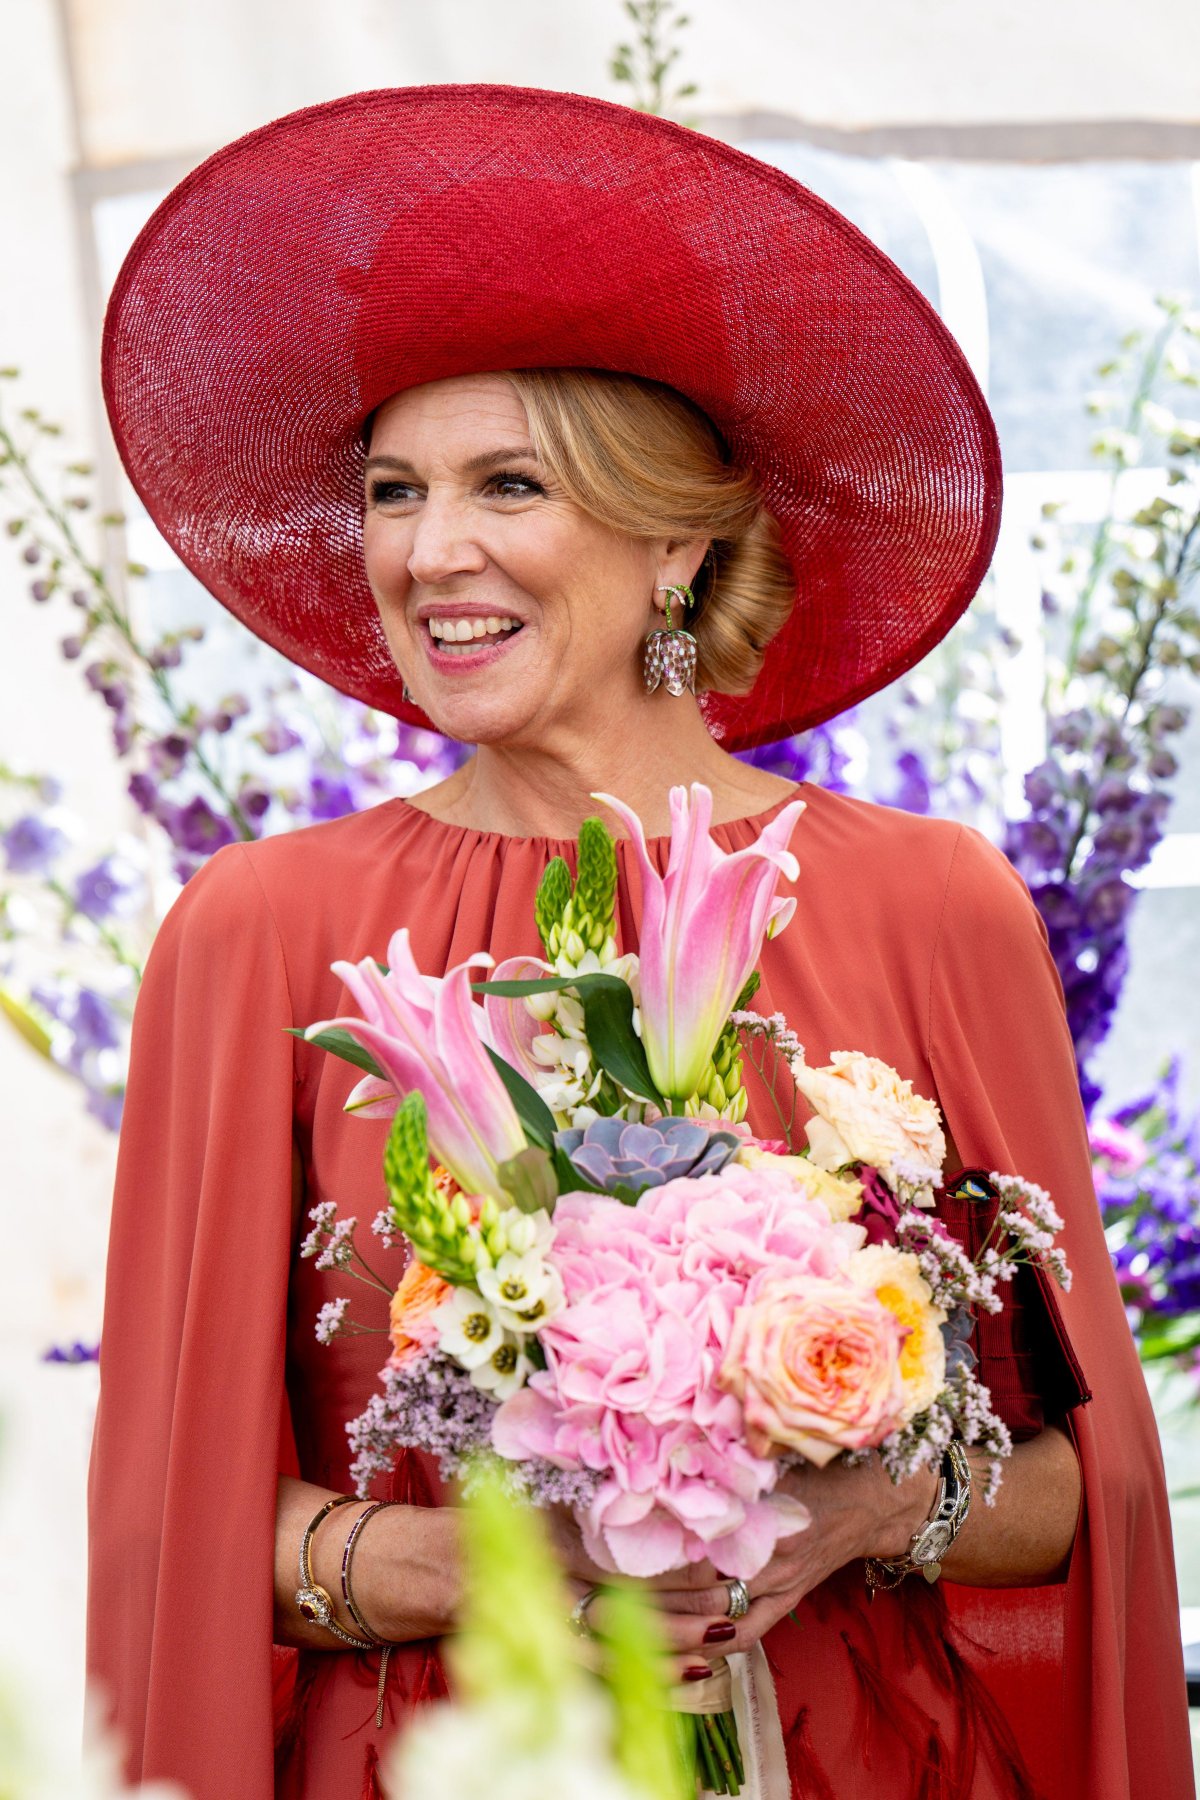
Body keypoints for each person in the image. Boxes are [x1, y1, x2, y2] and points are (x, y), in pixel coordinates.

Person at [89, 86, 1194, 1800]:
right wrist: (497, 1571)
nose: (427, 550)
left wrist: (857, 1510)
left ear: (677, 535)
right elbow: (171, 1530)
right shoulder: (258, 938)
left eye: (506, 483)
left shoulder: (930, 903)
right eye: (392, 490)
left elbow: (1082, 1489)